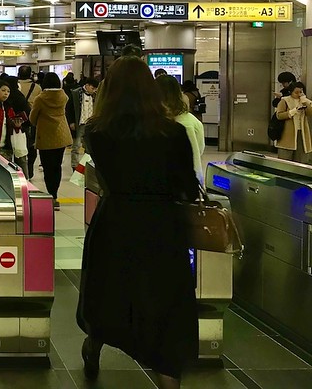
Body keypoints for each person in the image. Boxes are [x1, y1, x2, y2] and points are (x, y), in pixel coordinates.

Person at [77, 57, 200, 389]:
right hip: (163, 226)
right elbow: (187, 186)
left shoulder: (96, 132)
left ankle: (94, 346)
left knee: (110, 293)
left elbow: (104, 176)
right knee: (164, 302)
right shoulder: (172, 132)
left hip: (115, 222)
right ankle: (167, 376)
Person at [30, 72, 72, 210]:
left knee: (48, 167)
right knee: (57, 166)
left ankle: (51, 195)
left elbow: (32, 118)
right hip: (61, 135)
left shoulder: (40, 98)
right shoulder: (63, 96)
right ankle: (55, 194)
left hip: (46, 136)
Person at [157, 75, 206, 182]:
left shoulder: (156, 123)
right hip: (192, 183)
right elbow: (200, 149)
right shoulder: (191, 120)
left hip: (173, 185)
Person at [275, 81, 312, 164]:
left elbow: (310, 113)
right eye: (296, 92)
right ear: (291, 91)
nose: (299, 94)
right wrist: (293, 111)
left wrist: (305, 101)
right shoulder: (285, 100)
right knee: (285, 159)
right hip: (287, 134)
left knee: (301, 159)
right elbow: (279, 115)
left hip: (302, 133)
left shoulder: (304, 101)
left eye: (301, 92)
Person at [67, 77, 99, 169]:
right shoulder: (76, 93)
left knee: (88, 147)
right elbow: (69, 108)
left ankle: (86, 167)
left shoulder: (95, 95)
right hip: (79, 123)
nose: (94, 90)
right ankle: (75, 166)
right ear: (87, 85)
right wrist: (72, 121)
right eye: (92, 88)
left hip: (90, 124)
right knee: (76, 146)